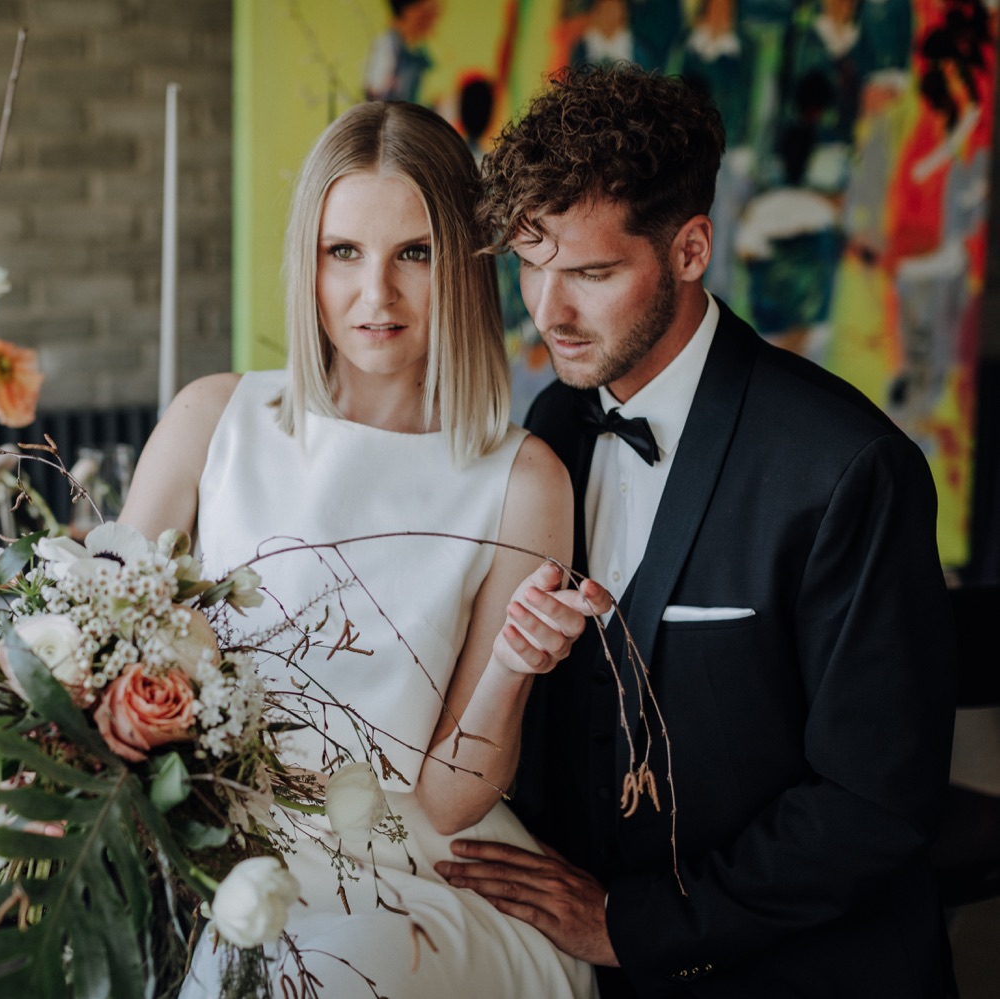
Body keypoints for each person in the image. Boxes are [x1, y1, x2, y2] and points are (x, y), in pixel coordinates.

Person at [435, 64, 956, 997]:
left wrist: (630, 924)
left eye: (592, 273)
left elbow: (874, 803)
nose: (548, 312)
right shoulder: (546, 432)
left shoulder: (848, 470)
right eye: (532, 264)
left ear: (689, 249)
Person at [120, 100, 600, 997]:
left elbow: (450, 798)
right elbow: (92, 651)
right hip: (222, 848)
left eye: (413, 254)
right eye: (344, 252)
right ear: (308, 258)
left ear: (462, 262)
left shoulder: (523, 479)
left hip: (410, 870)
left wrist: (510, 665)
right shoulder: (211, 420)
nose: (374, 296)